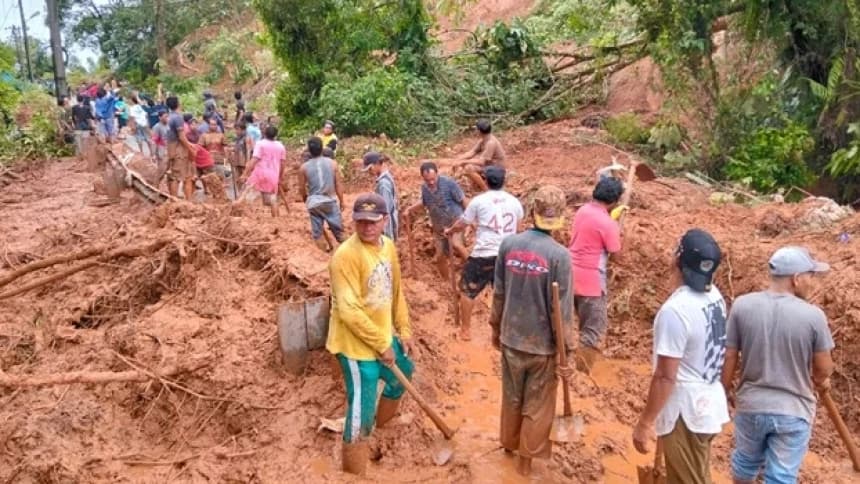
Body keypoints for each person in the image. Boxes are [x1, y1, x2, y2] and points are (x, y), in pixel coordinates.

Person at [721, 247, 835, 484]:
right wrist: (818, 379)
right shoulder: (813, 316)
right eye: (810, 276)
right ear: (796, 279)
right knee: (781, 477)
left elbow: (729, 356)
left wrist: (725, 390)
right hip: (792, 411)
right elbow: (823, 368)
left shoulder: (742, 305)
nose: (812, 282)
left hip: (751, 406)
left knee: (744, 464)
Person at [326, 192, 414, 476]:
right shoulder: (345, 256)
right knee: (360, 409)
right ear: (354, 222)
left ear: (385, 221)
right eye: (361, 222)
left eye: (373, 222)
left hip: (383, 336)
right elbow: (349, 311)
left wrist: (404, 329)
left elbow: (396, 290)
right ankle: (352, 469)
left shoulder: (388, 246)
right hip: (355, 347)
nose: (366, 227)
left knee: (403, 375)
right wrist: (379, 343)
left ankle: (383, 429)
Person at [489, 184, 574, 476]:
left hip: (511, 337)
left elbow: (498, 291)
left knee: (512, 395)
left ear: (533, 212)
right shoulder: (560, 256)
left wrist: (494, 327)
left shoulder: (508, 245)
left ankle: (509, 446)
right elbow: (561, 310)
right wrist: (568, 353)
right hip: (543, 346)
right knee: (537, 404)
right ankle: (525, 463)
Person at [632, 229, 729, 484]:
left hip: (685, 413)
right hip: (707, 405)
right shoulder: (715, 297)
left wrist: (645, 423)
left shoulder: (675, 311)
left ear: (677, 261)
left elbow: (665, 376)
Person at [445, 166, 523, 341]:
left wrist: (450, 230)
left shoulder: (479, 201)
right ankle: (505, 330)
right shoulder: (515, 202)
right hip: (508, 254)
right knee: (504, 293)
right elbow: (518, 230)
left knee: (468, 290)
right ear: (504, 181)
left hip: (484, 253)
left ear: (485, 181)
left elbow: (463, 223)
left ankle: (465, 331)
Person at [568, 177, 625, 373]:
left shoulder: (582, 210)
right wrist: (617, 229)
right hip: (591, 281)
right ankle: (581, 377)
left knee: (568, 322)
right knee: (592, 330)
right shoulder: (608, 224)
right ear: (615, 201)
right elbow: (617, 255)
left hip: (569, 275)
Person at [403, 162, 468, 280]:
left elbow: (463, 200)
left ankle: (474, 272)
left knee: (457, 245)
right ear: (423, 178)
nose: (431, 182)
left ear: (437, 174)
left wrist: (469, 218)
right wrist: (409, 209)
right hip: (439, 228)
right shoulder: (424, 188)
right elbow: (423, 202)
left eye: (433, 179)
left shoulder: (449, 183)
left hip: (456, 223)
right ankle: (446, 283)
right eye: (428, 180)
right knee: (439, 257)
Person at [299, 137, 346, 251]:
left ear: (309, 151)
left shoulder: (303, 168)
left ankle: (323, 256)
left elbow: (301, 189)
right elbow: (338, 184)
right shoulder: (333, 164)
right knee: (340, 233)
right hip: (330, 201)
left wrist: (306, 199)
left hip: (314, 203)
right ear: (322, 148)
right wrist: (342, 201)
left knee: (318, 234)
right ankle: (349, 253)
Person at [239, 125, 286, 217]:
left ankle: (243, 216)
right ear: (276, 135)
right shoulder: (280, 146)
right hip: (273, 175)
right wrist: (280, 177)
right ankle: (276, 220)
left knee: (248, 194)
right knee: (271, 199)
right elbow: (283, 164)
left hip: (259, 173)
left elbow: (255, 159)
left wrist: (245, 173)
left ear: (264, 134)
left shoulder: (260, 144)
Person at [450, 119, 506, 191]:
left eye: (476, 129)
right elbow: (472, 152)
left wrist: (463, 161)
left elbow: (481, 162)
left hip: (496, 169)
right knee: (465, 163)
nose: (475, 131)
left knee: (468, 168)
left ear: (479, 131)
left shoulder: (491, 143)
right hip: (488, 165)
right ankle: (479, 184)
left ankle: (486, 190)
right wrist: (458, 159)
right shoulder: (483, 139)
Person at [165, 96, 198, 200]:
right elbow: (181, 137)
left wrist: (190, 144)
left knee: (175, 175)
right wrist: (190, 148)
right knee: (185, 177)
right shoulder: (178, 118)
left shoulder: (169, 117)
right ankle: (187, 201)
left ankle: (174, 200)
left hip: (171, 148)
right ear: (178, 104)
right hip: (179, 149)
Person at [362, 152, 399, 240]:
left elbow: (385, 210)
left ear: (377, 164)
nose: (369, 172)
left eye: (370, 168)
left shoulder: (383, 184)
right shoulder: (385, 178)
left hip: (386, 225)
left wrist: (382, 229)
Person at [151, 110, 170, 185]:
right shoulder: (157, 127)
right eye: (165, 117)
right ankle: (156, 184)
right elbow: (153, 141)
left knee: (168, 170)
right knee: (161, 169)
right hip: (161, 150)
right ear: (160, 117)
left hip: (169, 149)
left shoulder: (169, 125)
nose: (167, 118)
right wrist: (153, 154)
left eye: (167, 116)